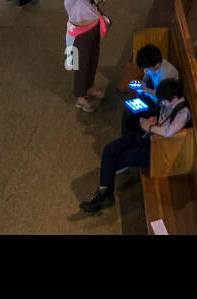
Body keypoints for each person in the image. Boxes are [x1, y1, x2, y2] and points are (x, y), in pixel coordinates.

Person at [78, 78, 190, 213]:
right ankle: (104, 193)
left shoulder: (183, 113)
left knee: (115, 161)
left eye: (164, 101)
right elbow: (161, 112)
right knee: (109, 149)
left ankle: (104, 195)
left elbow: (168, 132)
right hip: (148, 136)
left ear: (174, 99)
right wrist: (152, 119)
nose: (161, 103)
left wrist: (150, 128)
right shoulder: (170, 101)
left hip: (156, 149)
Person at [62, 0, 108, 111]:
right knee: (80, 68)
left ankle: (89, 88)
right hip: (79, 37)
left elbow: (95, 0)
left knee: (92, 63)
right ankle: (81, 98)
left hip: (93, 31)